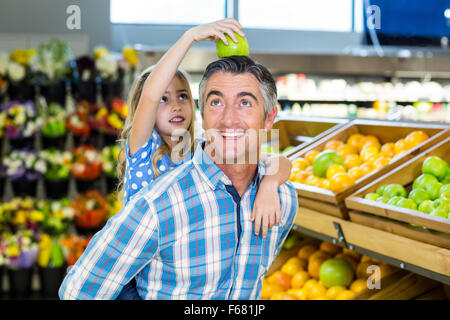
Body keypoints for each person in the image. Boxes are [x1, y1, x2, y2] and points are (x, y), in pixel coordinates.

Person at [59, 54, 298, 300]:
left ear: (270, 118)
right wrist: (191, 37)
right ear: (204, 113)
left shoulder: (283, 203)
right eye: (216, 102)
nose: (228, 118)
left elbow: (275, 161)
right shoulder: (155, 199)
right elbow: (78, 293)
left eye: (245, 103)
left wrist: (269, 185)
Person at [113, 19, 292, 299]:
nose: (174, 104)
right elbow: (149, 94)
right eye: (164, 98)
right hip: (135, 283)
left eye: (183, 96)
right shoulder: (142, 150)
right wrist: (190, 37)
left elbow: (280, 161)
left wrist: (269, 186)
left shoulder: (199, 150)